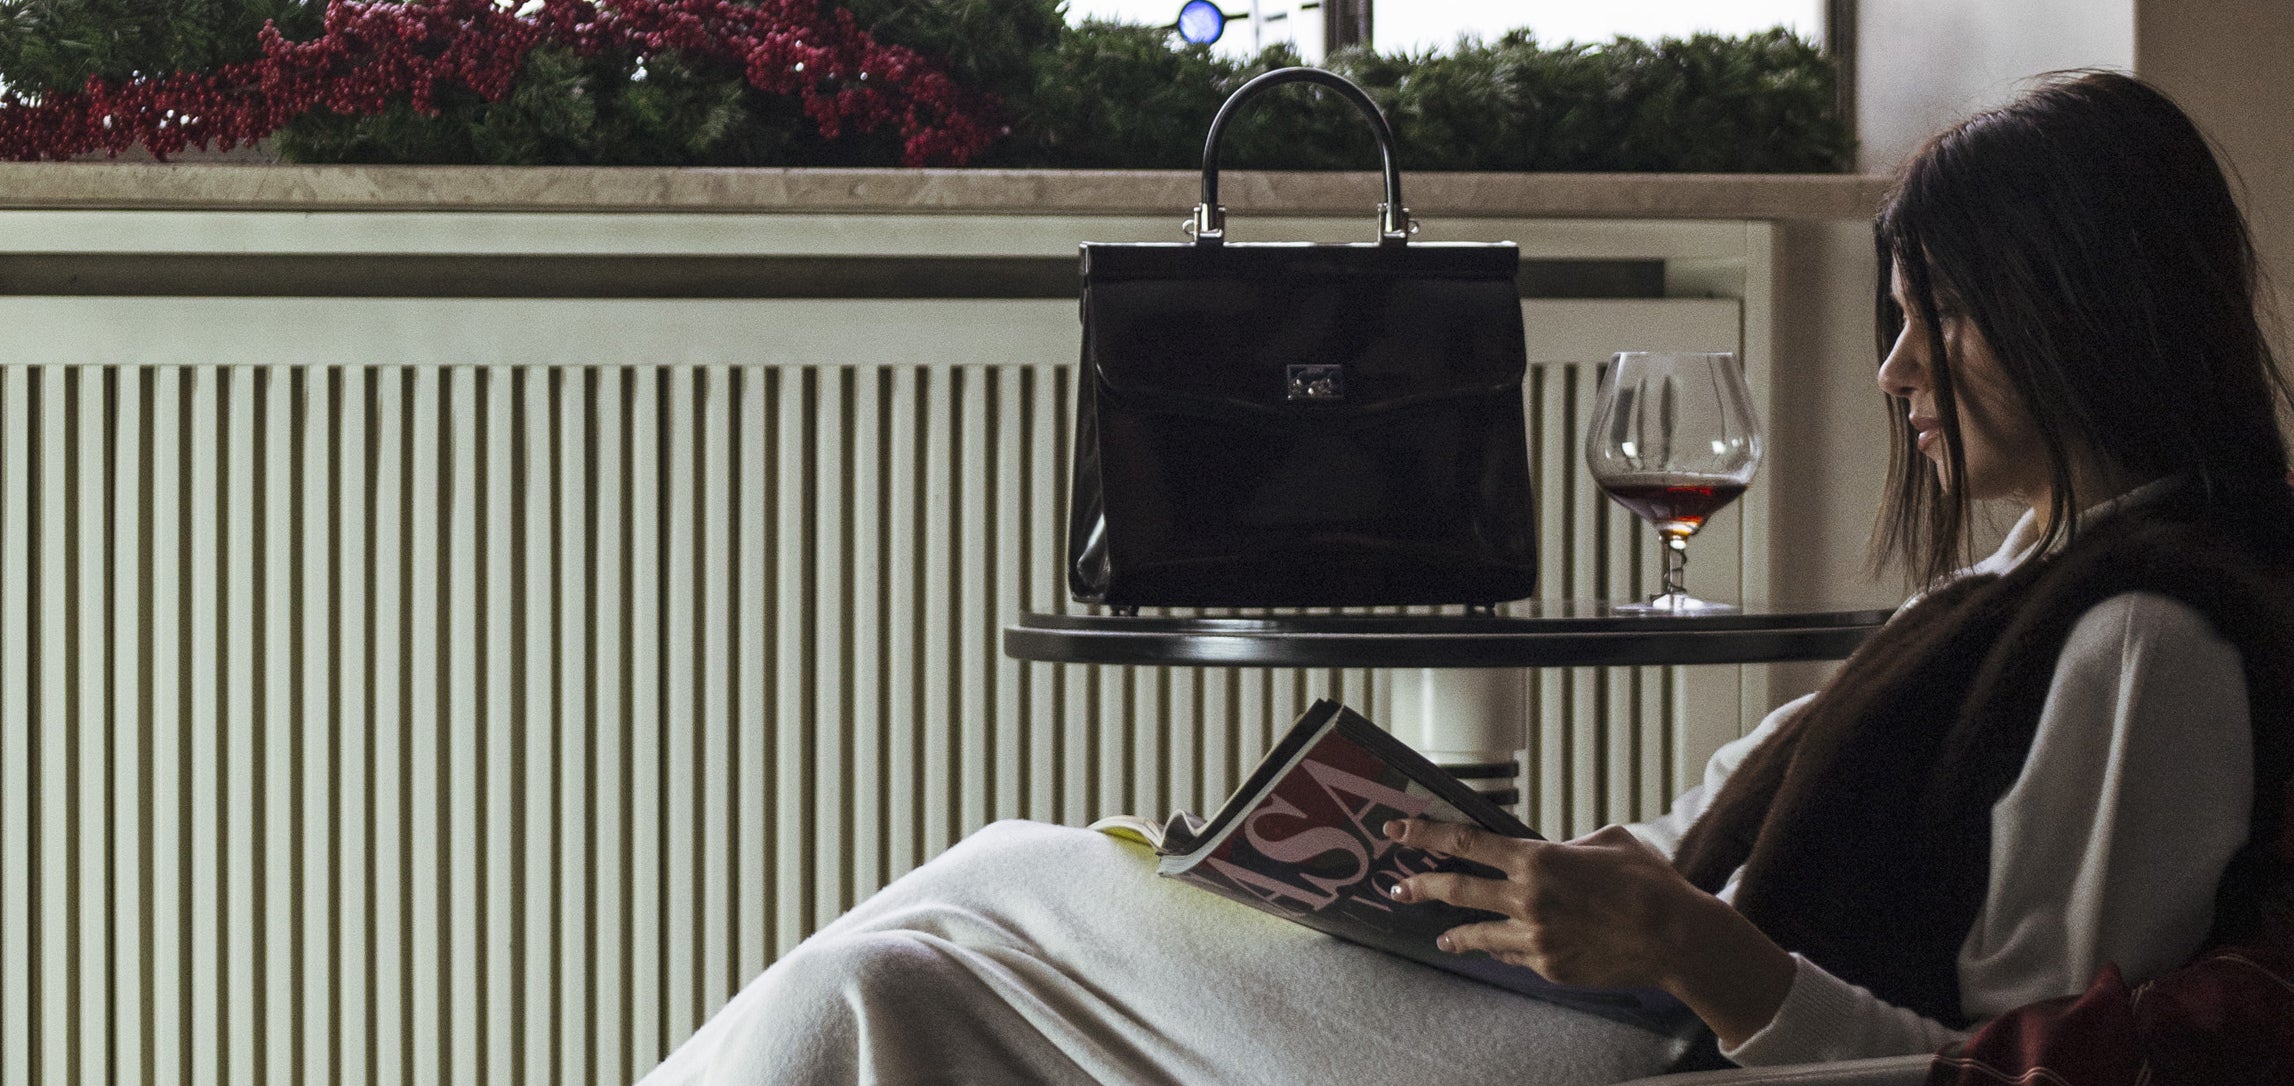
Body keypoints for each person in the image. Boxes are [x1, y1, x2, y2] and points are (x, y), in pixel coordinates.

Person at [649, 69, 2294, 1085]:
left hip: (1655, 1050)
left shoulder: (2142, 634)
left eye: (1940, 314)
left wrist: (1681, 948)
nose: (1893, 372)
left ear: (2087, 307)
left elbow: (2001, 1062)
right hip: (1597, 1000)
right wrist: (1480, 874)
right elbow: (1690, 844)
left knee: (1009, 868)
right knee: (887, 991)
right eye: (1895, 317)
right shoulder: (2012, 584)